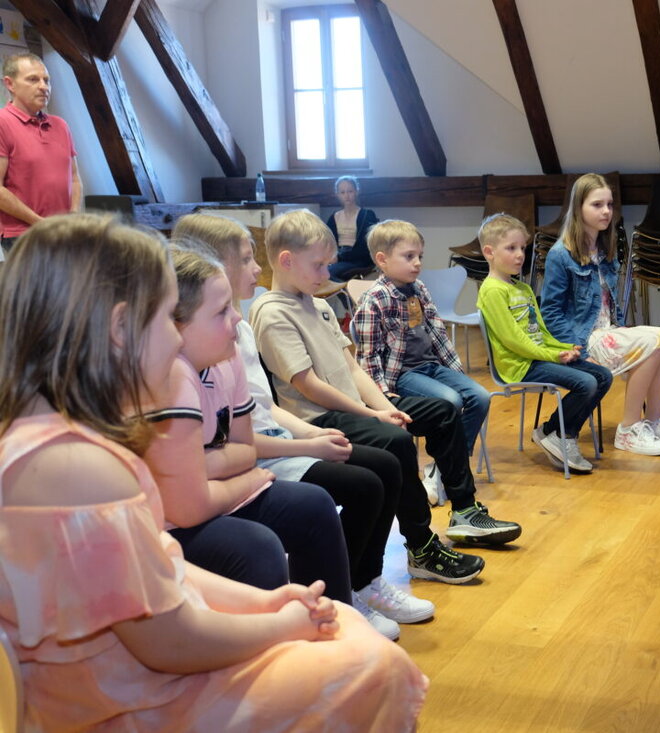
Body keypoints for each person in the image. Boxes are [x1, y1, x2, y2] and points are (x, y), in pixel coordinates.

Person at [0, 213, 426, 731]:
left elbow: (158, 568)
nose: (177, 340)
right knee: (370, 667)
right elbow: (166, 642)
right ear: (118, 329)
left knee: (353, 643)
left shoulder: (62, 441)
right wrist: (279, 626)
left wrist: (266, 602)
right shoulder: (77, 470)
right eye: (163, 318)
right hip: (117, 699)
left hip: (133, 667)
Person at [172, 213, 435, 639]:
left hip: (270, 444)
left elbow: (259, 413)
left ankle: (362, 583)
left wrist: (312, 435)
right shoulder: (228, 336)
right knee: (362, 481)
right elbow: (224, 447)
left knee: (389, 458)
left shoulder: (235, 331)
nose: (257, 268)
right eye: (246, 258)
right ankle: (340, 599)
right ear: (216, 267)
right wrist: (309, 442)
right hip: (263, 454)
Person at [249, 209, 520, 584]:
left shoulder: (320, 305)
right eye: (319, 266)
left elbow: (355, 370)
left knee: (442, 411)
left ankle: (465, 510)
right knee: (395, 441)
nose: (328, 275)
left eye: (329, 264)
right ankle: (421, 547)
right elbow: (309, 386)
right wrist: (372, 416)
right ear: (286, 261)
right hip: (319, 418)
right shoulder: (272, 312)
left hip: (354, 408)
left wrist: (388, 408)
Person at [145, 246, 378, 635]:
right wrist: (249, 477)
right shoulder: (174, 375)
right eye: (221, 311)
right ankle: (276, 652)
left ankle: (330, 628)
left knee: (314, 505)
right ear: (178, 324)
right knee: (257, 546)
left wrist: (215, 463)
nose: (237, 318)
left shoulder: (228, 353)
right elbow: (188, 507)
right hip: (171, 519)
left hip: (211, 493)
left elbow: (246, 446)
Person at [540, 173, 660, 457]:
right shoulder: (560, 255)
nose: (606, 211)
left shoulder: (605, 249)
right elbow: (550, 312)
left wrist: (623, 330)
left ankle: (655, 421)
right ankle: (628, 428)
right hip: (583, 340)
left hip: (607, 332)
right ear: (579, 208)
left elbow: (611, 306)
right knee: (652, 341)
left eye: (609, 204)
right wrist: (575, 350)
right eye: (597, 205)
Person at [352, 218, 491, 504]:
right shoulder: (375, 300)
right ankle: (451, 470)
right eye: (408, 257)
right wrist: (382, 393)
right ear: (383, 260)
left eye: (419, 256)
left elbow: (438, 334)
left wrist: (457, 372)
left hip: (432, 367)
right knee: (450, 402)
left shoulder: (419, 289)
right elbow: (367, 355)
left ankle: (441, 469)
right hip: (402, 375)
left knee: (480, 396)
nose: (417, 263)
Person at [476, 213, 613, 473]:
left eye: (522, 248)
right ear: (489, 252)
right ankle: (557, 433)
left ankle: (557, 434)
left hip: (538, 357)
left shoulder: (524, 289)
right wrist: (552, 356)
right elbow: (512, 340)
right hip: (520, 365)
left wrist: (562, 349)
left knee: (603, 375)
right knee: (586, 383)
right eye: (511, 248)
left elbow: (541, 333)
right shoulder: (492, 290)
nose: (520, 255)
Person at [0, 53, 80, 254]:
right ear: (10, 84)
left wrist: (74, 217)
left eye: (47, 80)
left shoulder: (61, 125)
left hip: (64, 232)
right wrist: (41, 223)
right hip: (23, 235)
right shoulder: (2, 123)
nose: (44, 86)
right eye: (33, 79)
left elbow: (75, 178)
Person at [325, 175, 378, 281]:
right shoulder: (334, 217)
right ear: (337, 195)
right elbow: (327, 240)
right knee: (315, 271)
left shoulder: (367, 215)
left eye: (350, 191)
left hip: (359, 259)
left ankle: (347, 295)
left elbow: (365, 247)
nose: (346, 196)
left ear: (356, 192)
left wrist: (339, 257)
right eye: (342, 192)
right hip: (338, 257)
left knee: (327, 273)